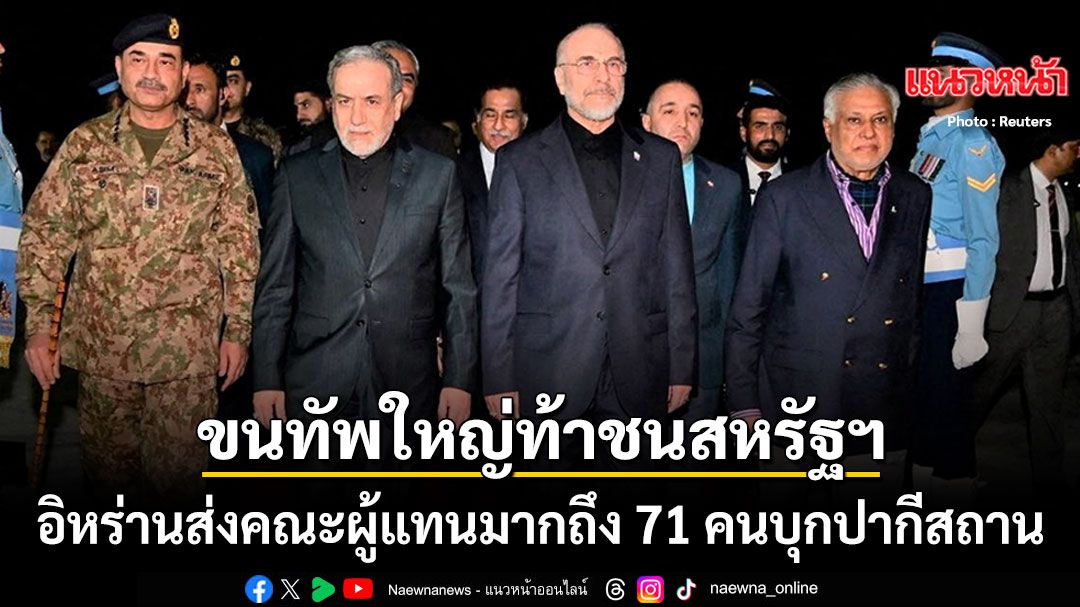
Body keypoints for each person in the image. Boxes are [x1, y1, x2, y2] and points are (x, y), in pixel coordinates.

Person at [17, 15, 260, 501]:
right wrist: (39, 325)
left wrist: (238, 329)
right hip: (104, 354)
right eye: (138, 59)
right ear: (119, 68)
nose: (152, 72)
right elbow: (45, 235)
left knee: (180, 493)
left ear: (183, 72)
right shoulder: (84, 145)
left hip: (187, 359)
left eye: (165, 61)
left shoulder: (215, 150)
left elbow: (239, 243)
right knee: (109, 490)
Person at [481, 24, 697, 470]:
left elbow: (677, 270)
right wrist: (498, 377)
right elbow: (501, 279)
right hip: (548, 375)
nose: (603, 75)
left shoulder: (660, 159)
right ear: (560, 78)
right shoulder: (519, 161)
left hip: (640, 373)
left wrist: (681, 366)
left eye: (614, 64)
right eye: (588, 63)